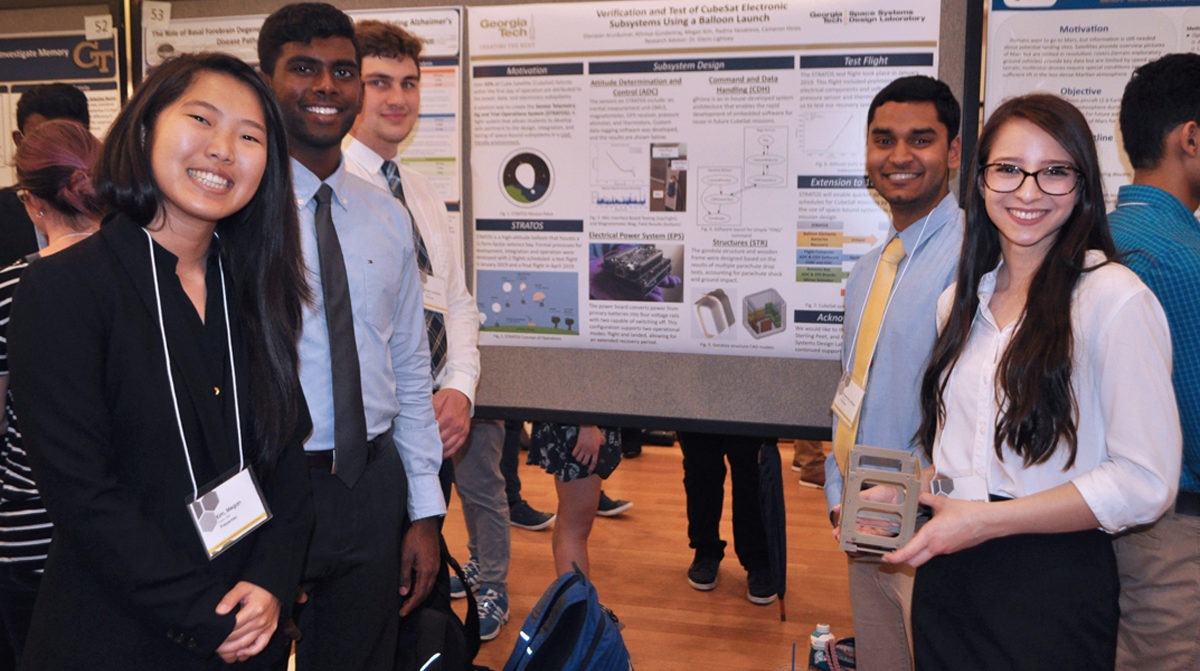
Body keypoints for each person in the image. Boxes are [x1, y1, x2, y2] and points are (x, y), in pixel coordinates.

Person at [7, 52, 315, 669]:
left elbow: (286, 454)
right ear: (145, 129)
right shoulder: (66, 287)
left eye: (249, 136)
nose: (224, 149)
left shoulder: (253, 285)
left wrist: (273, 584)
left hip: (246, 622)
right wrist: (206, 614)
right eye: (201, 119)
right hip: (116, 632)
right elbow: (82, 494)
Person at [883, 93, 1180, 670]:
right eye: (1009, 170)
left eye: (1054, 172)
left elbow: (1146, 481)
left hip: (1050, 586)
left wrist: (987, 521)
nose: (1028, 191)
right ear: (981, 179)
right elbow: (964, 459)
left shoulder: (1112, 297)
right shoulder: (958, 304)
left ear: (1082, 184)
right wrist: (911, 488)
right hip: (951, 576)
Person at [257, 5, 444, 669]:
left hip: (371, 485)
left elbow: (411, 370)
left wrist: (424, 511)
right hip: (268, 487)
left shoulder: (387, 217)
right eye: (303, 69)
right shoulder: (236, 217)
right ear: (266, 78)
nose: (327, 86)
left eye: (342, 71)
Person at [342, 19, 509, 642]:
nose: (398, 98)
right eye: (378, 81)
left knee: (421, 591)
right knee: (371, 603)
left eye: (409, 83)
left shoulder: (419, 191)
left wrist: (460, 389)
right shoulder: (328, 192)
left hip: (434, 429)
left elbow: (457, 302)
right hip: (371, 442)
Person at [824, 75, 963, 671]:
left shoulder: (977, 259)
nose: (899, 156)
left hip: (932, 529)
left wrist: (919, 501)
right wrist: (839, 493)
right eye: (884, 140)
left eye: (920, 139)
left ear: (953, 152)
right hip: (863, 522)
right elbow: (852, 391)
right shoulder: (869, 270)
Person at [1108, 53, 1200, 671]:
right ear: (1191, 138)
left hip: (1087, 523)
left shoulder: (1093, 236)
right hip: (1173, 537)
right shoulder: (1185, 262)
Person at [0, 119, 103, 668]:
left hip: (30, 528)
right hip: (134, 527)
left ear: (30, 201)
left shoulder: (12, 289)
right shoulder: (156, 279)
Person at [678, 432, 776, 604]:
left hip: (752, 409)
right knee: (700, 472)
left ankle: (758, 560)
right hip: (696, 409)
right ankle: (705, 550)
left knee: (752, 476)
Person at [0, 83, 90, 267]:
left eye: (67, 141)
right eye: (41, 142)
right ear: (19, 141)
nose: (56, 154)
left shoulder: (116, 208)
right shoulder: (3, 213)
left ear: (86, 138)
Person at [528, 424, 621, 577]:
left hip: (576, 423)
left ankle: (572, 597)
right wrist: (587, 425)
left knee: (569, 522)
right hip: (580, 425)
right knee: (575, 527)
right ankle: (576, 599)